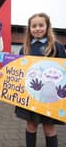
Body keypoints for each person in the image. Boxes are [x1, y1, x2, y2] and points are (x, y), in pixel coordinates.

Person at [15, 12, 66, 147]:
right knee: (31, 126)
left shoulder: (57, 47)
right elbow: (19, 71)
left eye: (41, 25)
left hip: (50, 98)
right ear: (29, 29)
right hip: (29, 96)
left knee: (49, 129)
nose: (37, 28)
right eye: (34, 26)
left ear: (47, 27)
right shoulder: (25, 48)